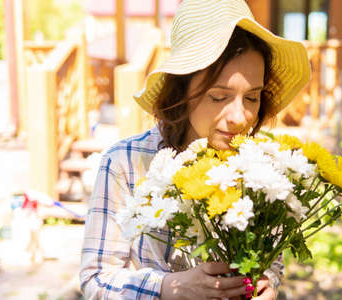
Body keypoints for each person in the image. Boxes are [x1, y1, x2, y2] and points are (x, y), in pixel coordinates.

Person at [80, 0, 310, 299]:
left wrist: (268, 280)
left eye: (252, 98)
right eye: (218, 96)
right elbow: (96, 278)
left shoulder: (260, 168)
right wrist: (167, 287)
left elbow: (272, 258)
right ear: (181, 92)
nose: (240, 118)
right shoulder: (126, 162)